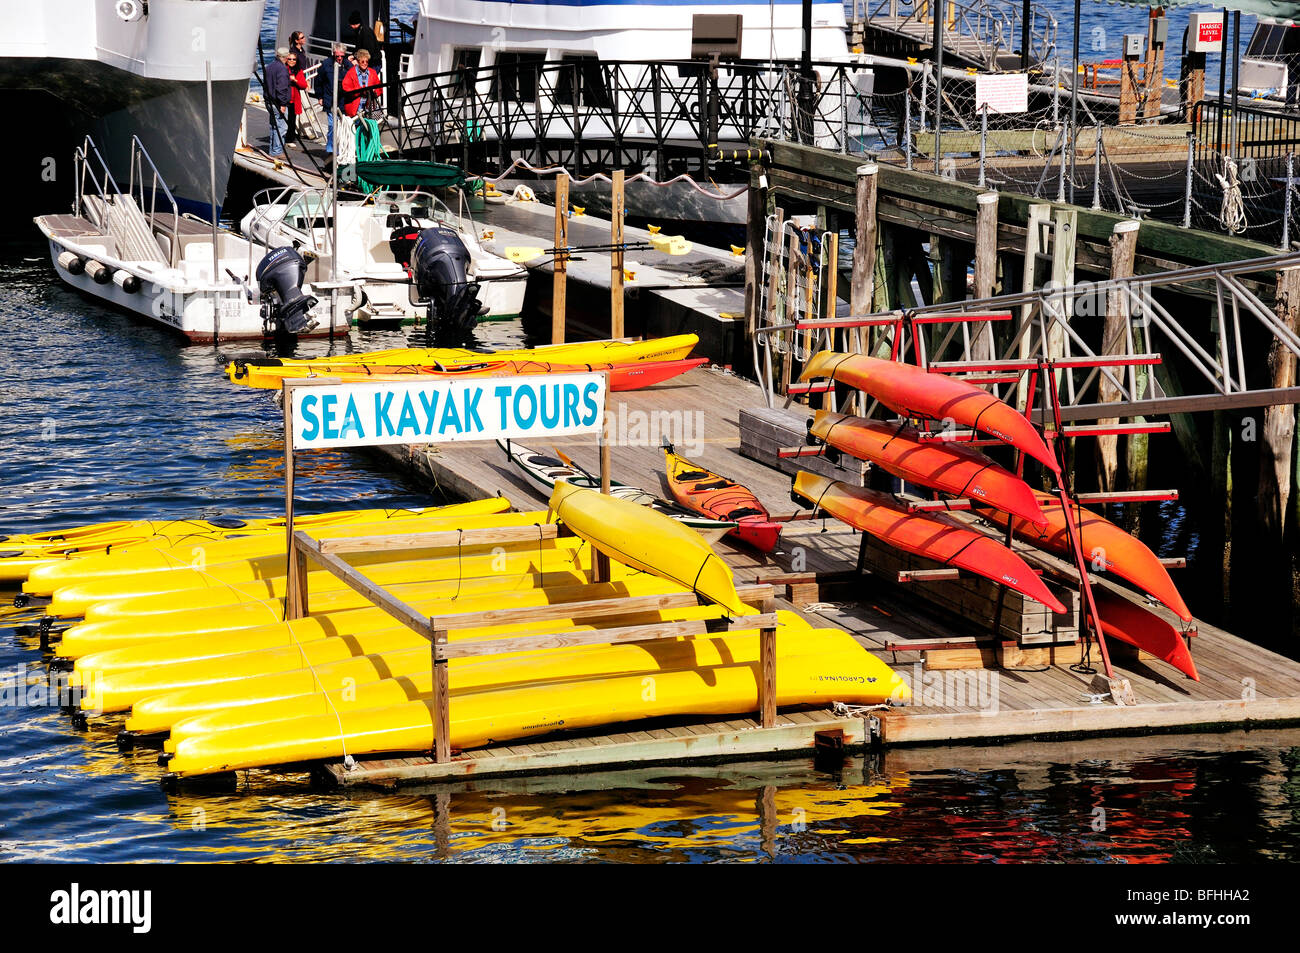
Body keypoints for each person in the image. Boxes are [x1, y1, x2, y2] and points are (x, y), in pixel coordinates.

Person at [314, 43, 347, 157]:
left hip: (343, 101)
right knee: (332, 126)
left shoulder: (348, 65)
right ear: (333, 54)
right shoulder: (326, 64)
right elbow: (318, 82)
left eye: (341, 56)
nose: (339, 58)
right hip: (330, 100)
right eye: (337, 56)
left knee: (343, 127)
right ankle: (331, 150)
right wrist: (320, 96)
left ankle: (342, 149)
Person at [264, 47, 292, 158]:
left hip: (269, 101)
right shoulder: (282, 69)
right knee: (281, 127)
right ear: (285, 58)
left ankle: (272, 150)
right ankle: (276, 151)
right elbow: (281, 88)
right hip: (278, 103)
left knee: (273, 126)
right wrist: (283, 104)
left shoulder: (269, 66)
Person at [341, 47, 381, 118]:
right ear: (358, 61)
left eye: (367, 61)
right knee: (356, 127)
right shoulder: (351, 73)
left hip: (368, 108)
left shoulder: (372, 72)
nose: (365, 63)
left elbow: (379, 88)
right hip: (355, 107)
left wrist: (374, 92)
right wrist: (361, 90)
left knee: (370, 126)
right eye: (362, 61)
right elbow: (346, 88)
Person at [285, 49, 309, 145]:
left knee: (292, 120)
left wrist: (295, 80)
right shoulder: (283, 69)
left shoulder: (298, 71)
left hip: (294, 99)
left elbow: (303, 85)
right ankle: (282, 138)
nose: (292, 61)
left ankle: (290, 138)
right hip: (284, 98)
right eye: (290, 59)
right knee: (283, 120)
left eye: (294, 59)